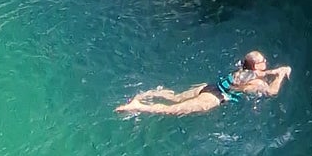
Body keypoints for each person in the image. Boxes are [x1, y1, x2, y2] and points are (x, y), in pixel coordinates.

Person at [118, 50, 292, 117]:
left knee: (175, 97)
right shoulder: (256, 83)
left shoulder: (243, 71)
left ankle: (148, 94)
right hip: (213, 98)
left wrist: (272, 71)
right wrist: (281, 74)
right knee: (170, 110)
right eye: (263, 61)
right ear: (255, 66)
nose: (266, 61)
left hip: (208, 86)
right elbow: (272, 92)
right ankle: (138, 106)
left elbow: (259, 74)